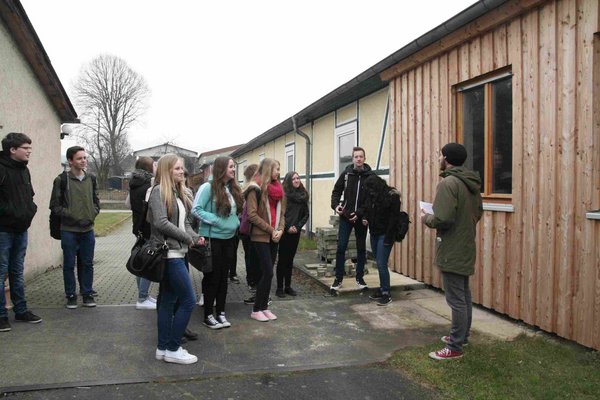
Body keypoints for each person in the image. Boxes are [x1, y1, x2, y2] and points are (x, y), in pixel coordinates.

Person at [420, 143, 483, 360]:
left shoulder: (449, 183)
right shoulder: (471, 183)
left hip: (452, 248)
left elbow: (443, 219)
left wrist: (425, 217)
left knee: (456, 298)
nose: (439, 158)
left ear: (446, 158)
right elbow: (477, 213)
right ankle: (462, 336)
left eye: (440, 155)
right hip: (466, 244)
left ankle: (455, 347)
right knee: (463, 295)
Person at [149, 154, 203, 364]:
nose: (182, 172)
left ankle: (163, 348)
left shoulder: (176, 192)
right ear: (167, 171)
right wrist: (187, 238)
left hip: (179, 253)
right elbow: (162, 223)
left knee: (168, 302)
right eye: (178, 169)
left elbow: (184, 223)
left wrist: (195, 237)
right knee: (189, 300)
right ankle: (173, 348)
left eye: (182, 169)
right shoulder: (158, 191)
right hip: (169, 254)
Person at [192, 156, 243, 329]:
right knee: (212, 278)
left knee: (223, 278)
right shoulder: (207, 187)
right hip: (212, 239)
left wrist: (234, 222)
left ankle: (220, 312)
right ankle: (208, 314)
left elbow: (234, 213)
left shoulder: (231, 188)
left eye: (234, 167)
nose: (234, 170)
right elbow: (196, 209)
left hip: (229, 239)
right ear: (221, 168)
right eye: (231, 167)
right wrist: (217, 221)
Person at [0, 133, 42, 332]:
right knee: (1, 273)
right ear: (12, 150)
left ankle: (21, 310)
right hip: (3, 231)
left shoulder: (24, 170)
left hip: (21, 230)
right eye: (26, 148)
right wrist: (11, 213)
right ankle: (1, 316)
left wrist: (29, 210)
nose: (29, 151)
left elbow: (29, 195)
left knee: (17, 271)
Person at [50, 146, 100, 309]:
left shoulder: (91, 178)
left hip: (88, 230)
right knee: (69, 264)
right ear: (70, 161)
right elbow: (55, 206)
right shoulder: (61, 180)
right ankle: (71, 295)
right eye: (79, 158)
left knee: (87, 263)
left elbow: (96, 200)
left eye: (85, 158)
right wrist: (72, 215)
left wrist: (93, 213)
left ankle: (86, 294)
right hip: (69, 230)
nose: (83, 161)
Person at [330, 146, 373, 292]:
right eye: (356, 157)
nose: (359, 159)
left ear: (364, 159)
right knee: (341, 247)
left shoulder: (370, 176)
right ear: (353, 158)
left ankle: (360, 278)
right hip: (346, 216)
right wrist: (336, 206)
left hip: (360, 218)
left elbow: (371, 200)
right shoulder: (347, 174)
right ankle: (338, 279)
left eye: (361, 156)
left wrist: (360, 213)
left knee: (361, 249)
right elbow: (336, 192)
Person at [246, 158, 285, 322]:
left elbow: (283, 213)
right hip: (261, 236)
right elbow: (252, 215)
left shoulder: (279, 190)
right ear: (269, 169)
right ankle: (256, 309)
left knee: (268, 274)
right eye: (277, 169)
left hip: (274, 236)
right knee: (267, 272)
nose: (279, 172)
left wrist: (280, 230)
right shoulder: (254, 189)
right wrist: (271, 230)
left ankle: (264, 307)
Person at [362, 175, 400, 306]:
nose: (369, 192)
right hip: (374, 233)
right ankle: (382, 287)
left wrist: (389, 239)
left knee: (381, 263)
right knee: (378, 263)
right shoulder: (372, 196)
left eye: (371, 190)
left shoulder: (392, 196)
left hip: (385, 234)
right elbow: (368, 210)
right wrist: (365, 218)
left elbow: (394, 219)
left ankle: (386, 293)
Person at [128, 156, 157, 310]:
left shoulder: (133, 183)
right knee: (148, 262)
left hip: (137, 226)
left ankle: (143, 295)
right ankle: (142, 297)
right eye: (154, 165)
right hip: (148, 228)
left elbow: (128, 203)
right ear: (148, 168)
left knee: (140, 259)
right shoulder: (150, 184)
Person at [275, 171, 309, 298]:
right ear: (289, 181)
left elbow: (306, 214)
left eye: (298, 178)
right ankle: (279, 287)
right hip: (285, 232)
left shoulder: (302, 196)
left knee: (290, 260)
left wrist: (298, 227)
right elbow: (281, 213)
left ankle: (288, 286)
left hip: (296, 232)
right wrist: (288, 227)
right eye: (294, 179)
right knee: (282, 260)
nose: (296, 180)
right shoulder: (284, 196)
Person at [240, 164, 261, 304]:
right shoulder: (254, 190)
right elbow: (252, 214)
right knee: (254, 261)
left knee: (251, 259)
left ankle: (253, 287)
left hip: (246, 231)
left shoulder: (247, 189)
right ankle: (256, 291)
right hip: (251, 231)